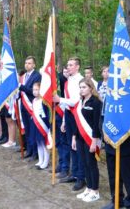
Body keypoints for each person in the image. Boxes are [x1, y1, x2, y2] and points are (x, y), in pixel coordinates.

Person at [53, 57, 85, 191]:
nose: (69, 67)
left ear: (77, 67)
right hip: (69, 115)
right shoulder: (69, 80)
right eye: (68, 65)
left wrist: (59, 99)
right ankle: (74, 172)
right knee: (71, 146)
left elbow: (75, 101)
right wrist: (65, 121)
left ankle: (81, 177)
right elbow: (67, 104)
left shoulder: (80, 80)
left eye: (71, 65)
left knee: (78, 146)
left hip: (78, 115)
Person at [72, 78, 102, 202]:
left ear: (91, 88)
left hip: (91, 138)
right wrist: (74, 137)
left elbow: (96, 124)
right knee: (84, 163)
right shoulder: (80, 101)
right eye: (80, 87)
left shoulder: (96, 102)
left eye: (84, 87)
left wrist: (94, 141)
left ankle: (95, 191)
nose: (81, 89)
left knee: (91, 164)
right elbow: (76, 122)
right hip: (79, 138)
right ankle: (89, 188)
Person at [19, 56, 41, 160]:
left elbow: (33, 90)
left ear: (34, 65)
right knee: (27, 128)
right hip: (23, 105)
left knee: (33, 129)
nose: (27, 64)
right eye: (26, 63)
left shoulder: (37, 76)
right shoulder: (23, 76)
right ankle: (29, 149)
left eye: (29, 63)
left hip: (32, 106)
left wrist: (20, 86)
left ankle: (35, 152)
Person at [32, 82, 51, 170]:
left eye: (37, 89)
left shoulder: (44, 101)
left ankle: (45, 162)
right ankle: (40, 160)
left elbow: (47, 114)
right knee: (38, 142)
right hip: (36, 124)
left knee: (44, 142)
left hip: (43, 124)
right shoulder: (34, 100)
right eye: (33, 90)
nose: (35, 91)